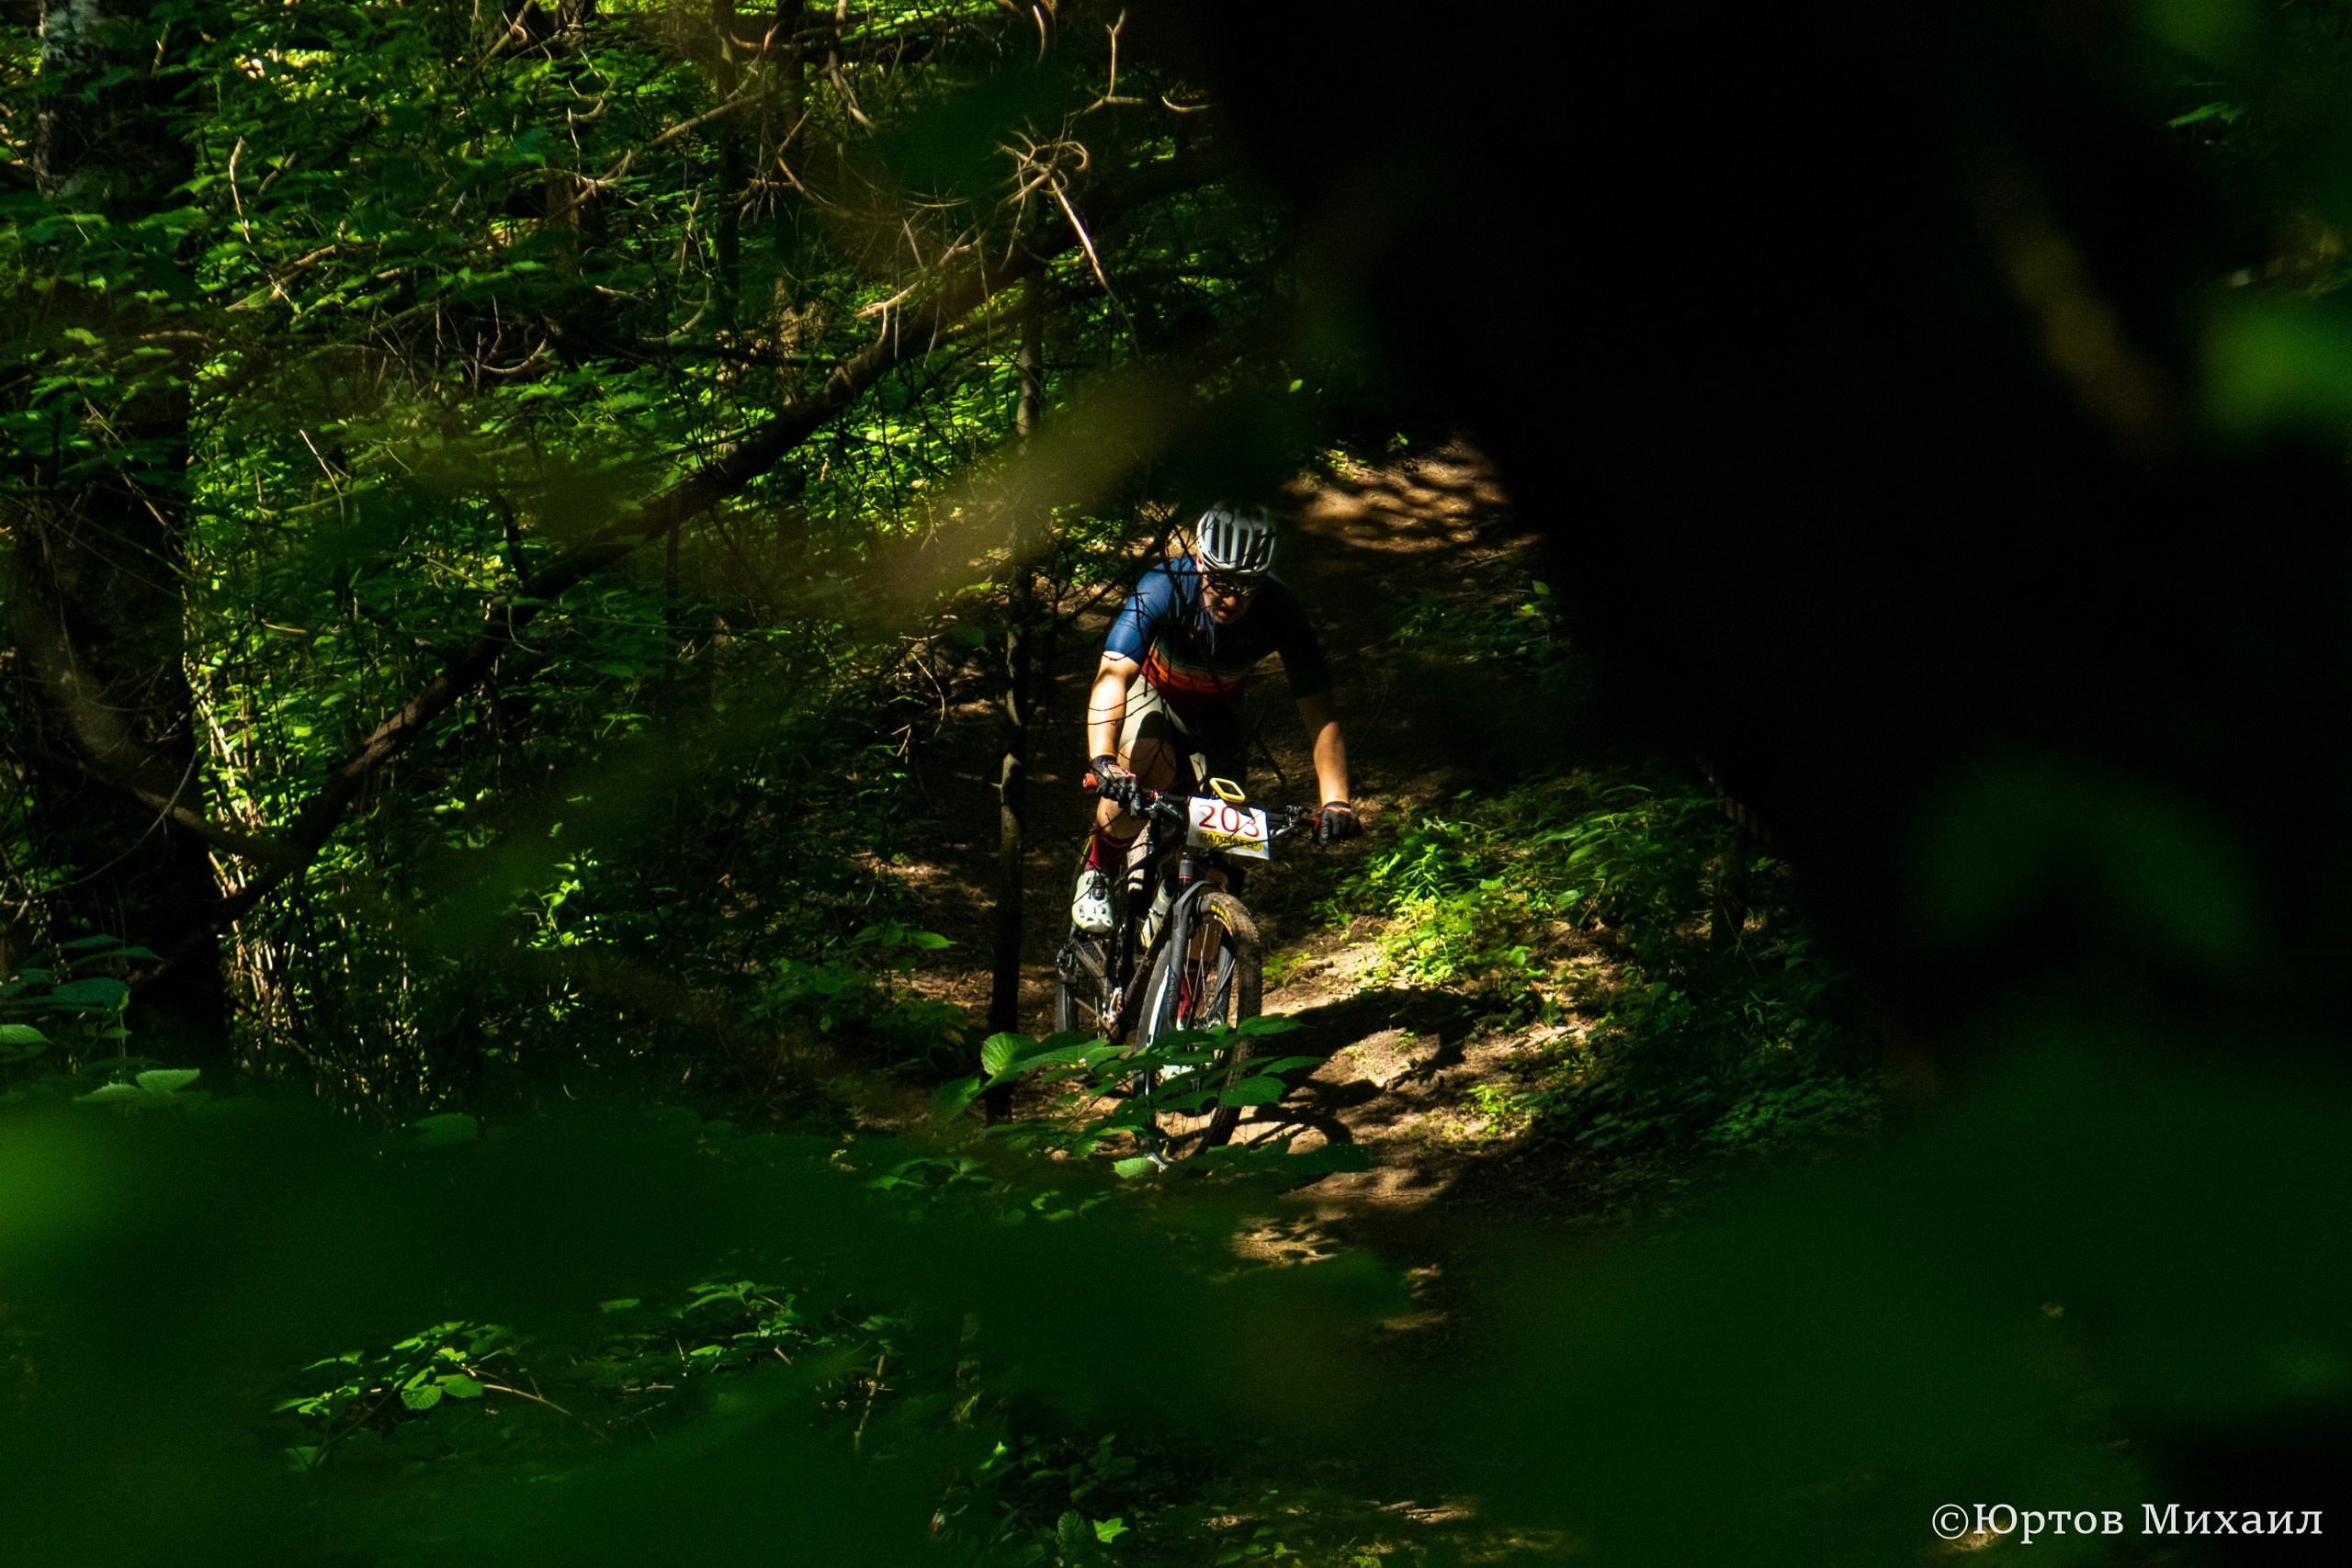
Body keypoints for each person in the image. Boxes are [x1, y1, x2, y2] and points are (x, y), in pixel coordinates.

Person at [1070, 504, 1362, 935]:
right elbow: (1113, 676)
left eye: (1247, 587)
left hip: (1218, 720)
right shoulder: (1163, 586)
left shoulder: (1281, 609)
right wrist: (1104, 760)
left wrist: (1336, 799)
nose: (1231, 599)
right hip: (1155, 700)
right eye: (1222, 582)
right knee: (1148, 760)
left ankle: (1186, 986)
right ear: (1201, 564)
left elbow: (1320, 714)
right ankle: (1099, 866)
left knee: (1221, 860)